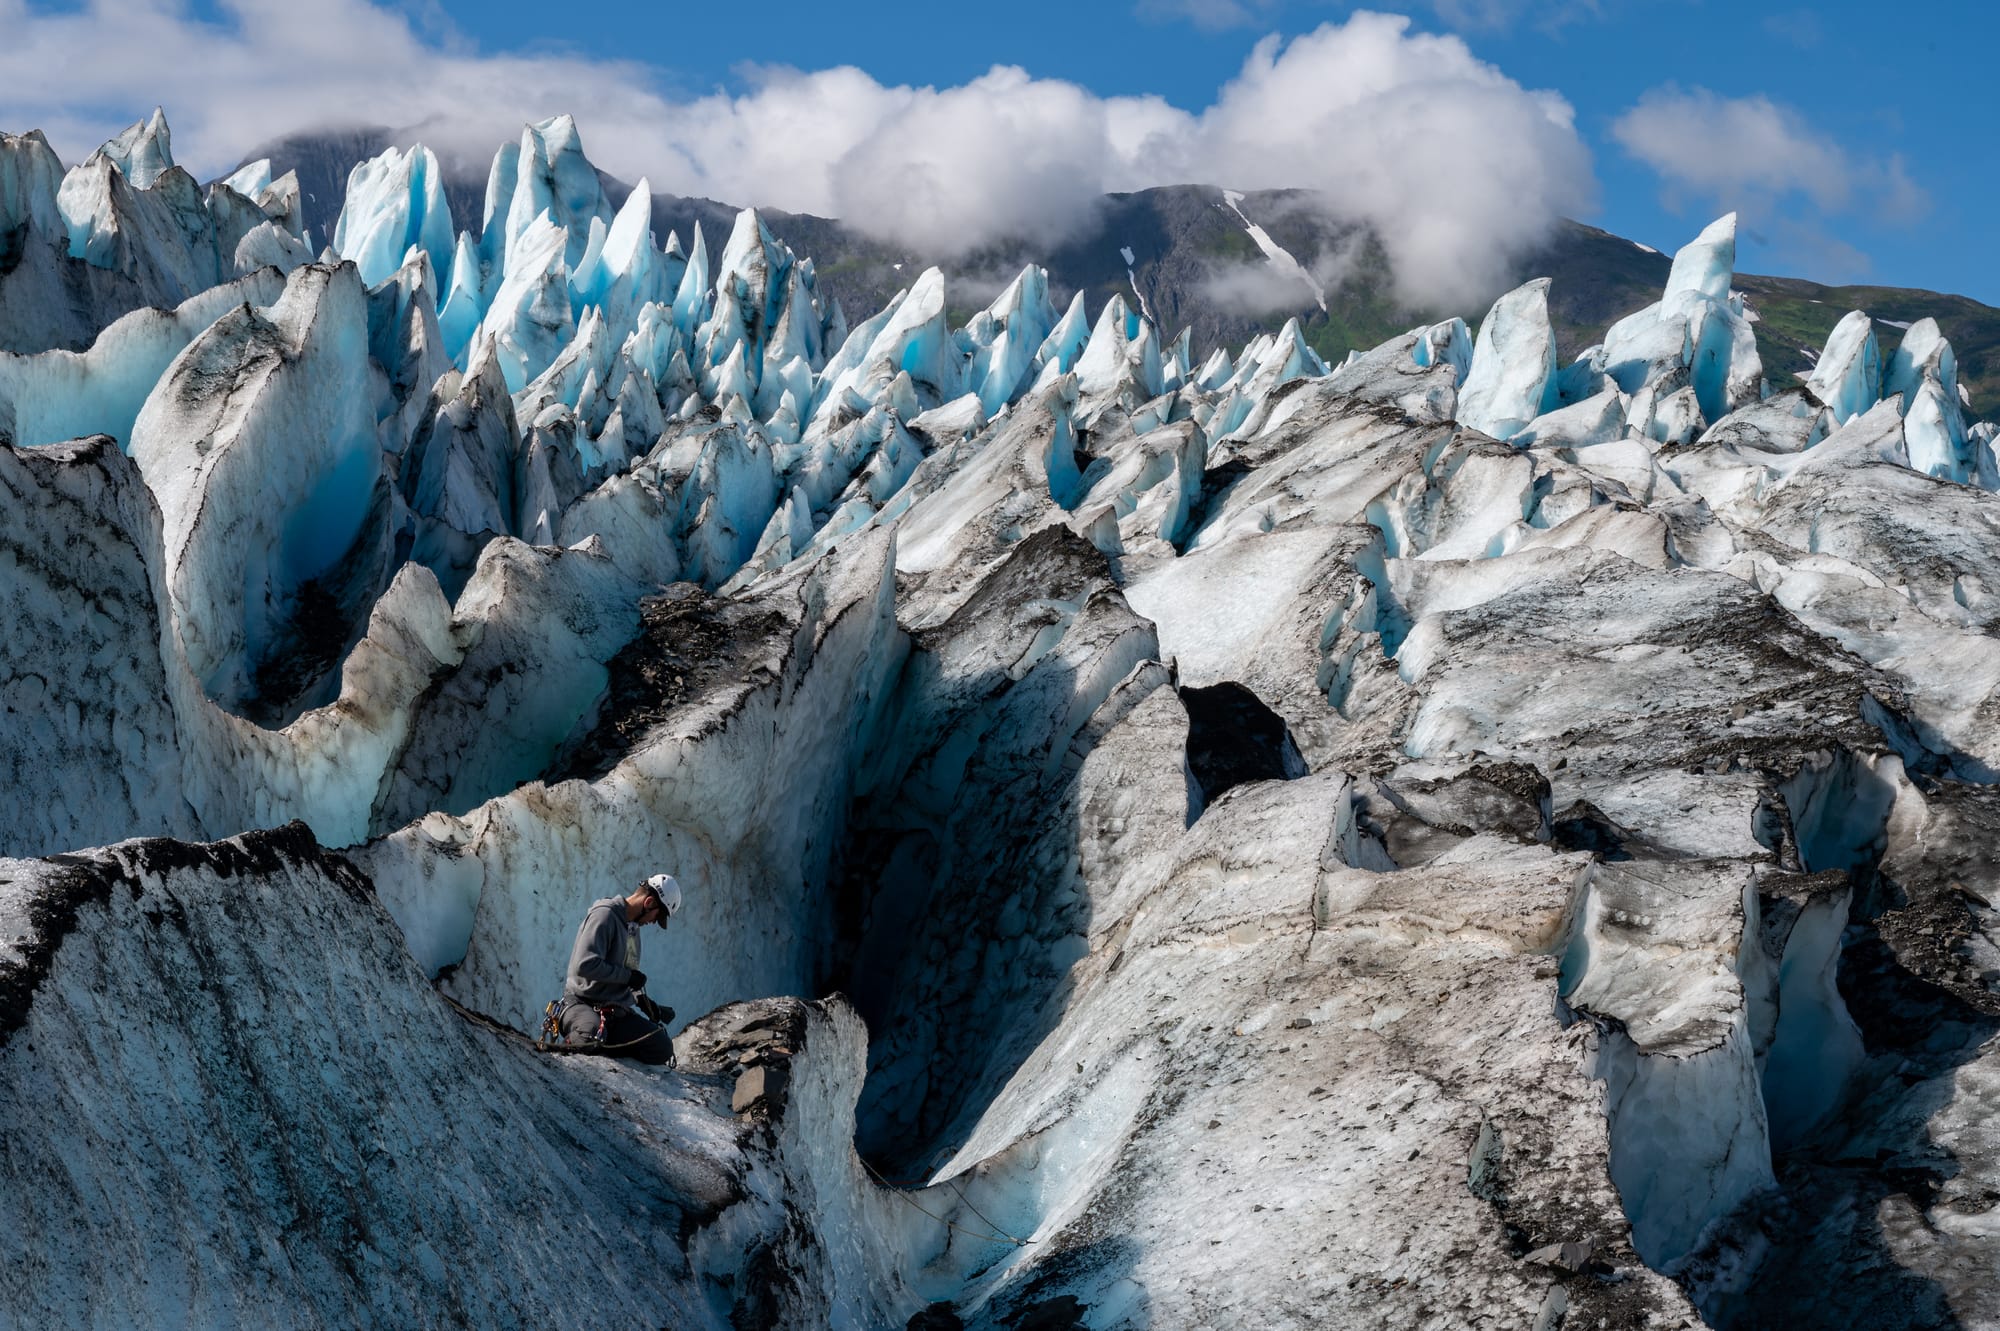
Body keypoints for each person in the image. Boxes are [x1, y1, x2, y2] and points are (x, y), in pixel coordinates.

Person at [552, 873, 682, 1065]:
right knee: (590, 1033)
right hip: (581, 1003)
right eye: (658, 915)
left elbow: (626, 976)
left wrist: (645, 1002)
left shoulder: (632, 929)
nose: (654, 921)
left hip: (614, 1011)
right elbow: (585, 965)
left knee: (660, 1047)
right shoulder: (604, 915)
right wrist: (628, 977)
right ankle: (573, 1049)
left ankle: (601, 1045)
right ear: (649, 903)